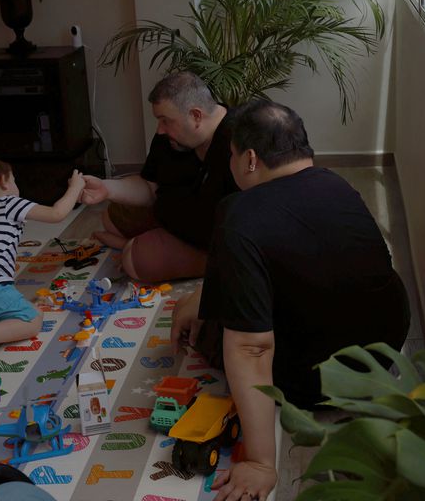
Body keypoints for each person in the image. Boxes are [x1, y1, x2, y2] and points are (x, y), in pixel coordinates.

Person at [171, 100, 411, 501]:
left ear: (249, 159)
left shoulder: (238, 215)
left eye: (230, 155)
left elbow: (251, 347)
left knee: (220, 336)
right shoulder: (337, 183)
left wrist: (263, 462)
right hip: (381, 357)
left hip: (313, 381)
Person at [79, 72, 239, 282]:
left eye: (166, 121)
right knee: (111, 217)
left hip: (213, 239)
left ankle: (214, 263)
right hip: (173, 217)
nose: (160, 129)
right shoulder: (170, 137)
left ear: (196, 116)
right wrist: (107, 188)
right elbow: (149, 187)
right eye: (159, 120)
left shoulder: (237, 141)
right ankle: (140, 242)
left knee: (135, 261)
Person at [0, 156, 85, 347]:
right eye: (14, 180)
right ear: (2, 181)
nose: (16, 186)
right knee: (33, 319)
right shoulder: (9, 203)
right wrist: (75, 188)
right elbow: (56, 214)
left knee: (27, 308)